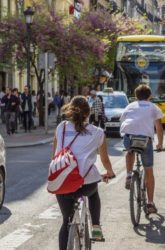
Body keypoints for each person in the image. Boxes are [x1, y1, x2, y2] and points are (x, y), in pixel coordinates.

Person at [51, 96, 115, 250]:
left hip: (62, 183)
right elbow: (105, 160)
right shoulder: (98, 132)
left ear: (70, 111)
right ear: (88, 113)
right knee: (93, 193)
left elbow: (55, 154)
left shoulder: (61, 127)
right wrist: (110, 172)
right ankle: (96, 225)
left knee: (66, 220)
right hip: (86, 184)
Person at [120, 84, 165, 214]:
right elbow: (159, 128)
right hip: (145, 141)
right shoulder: (153, 107)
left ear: (136, 96)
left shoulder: (130, 106)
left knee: (130, 150)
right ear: (149, 96)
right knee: (149, 171)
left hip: (128, 138)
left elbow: (123, 120)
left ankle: (129, 175)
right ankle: (150, 203)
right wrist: (160, 144)